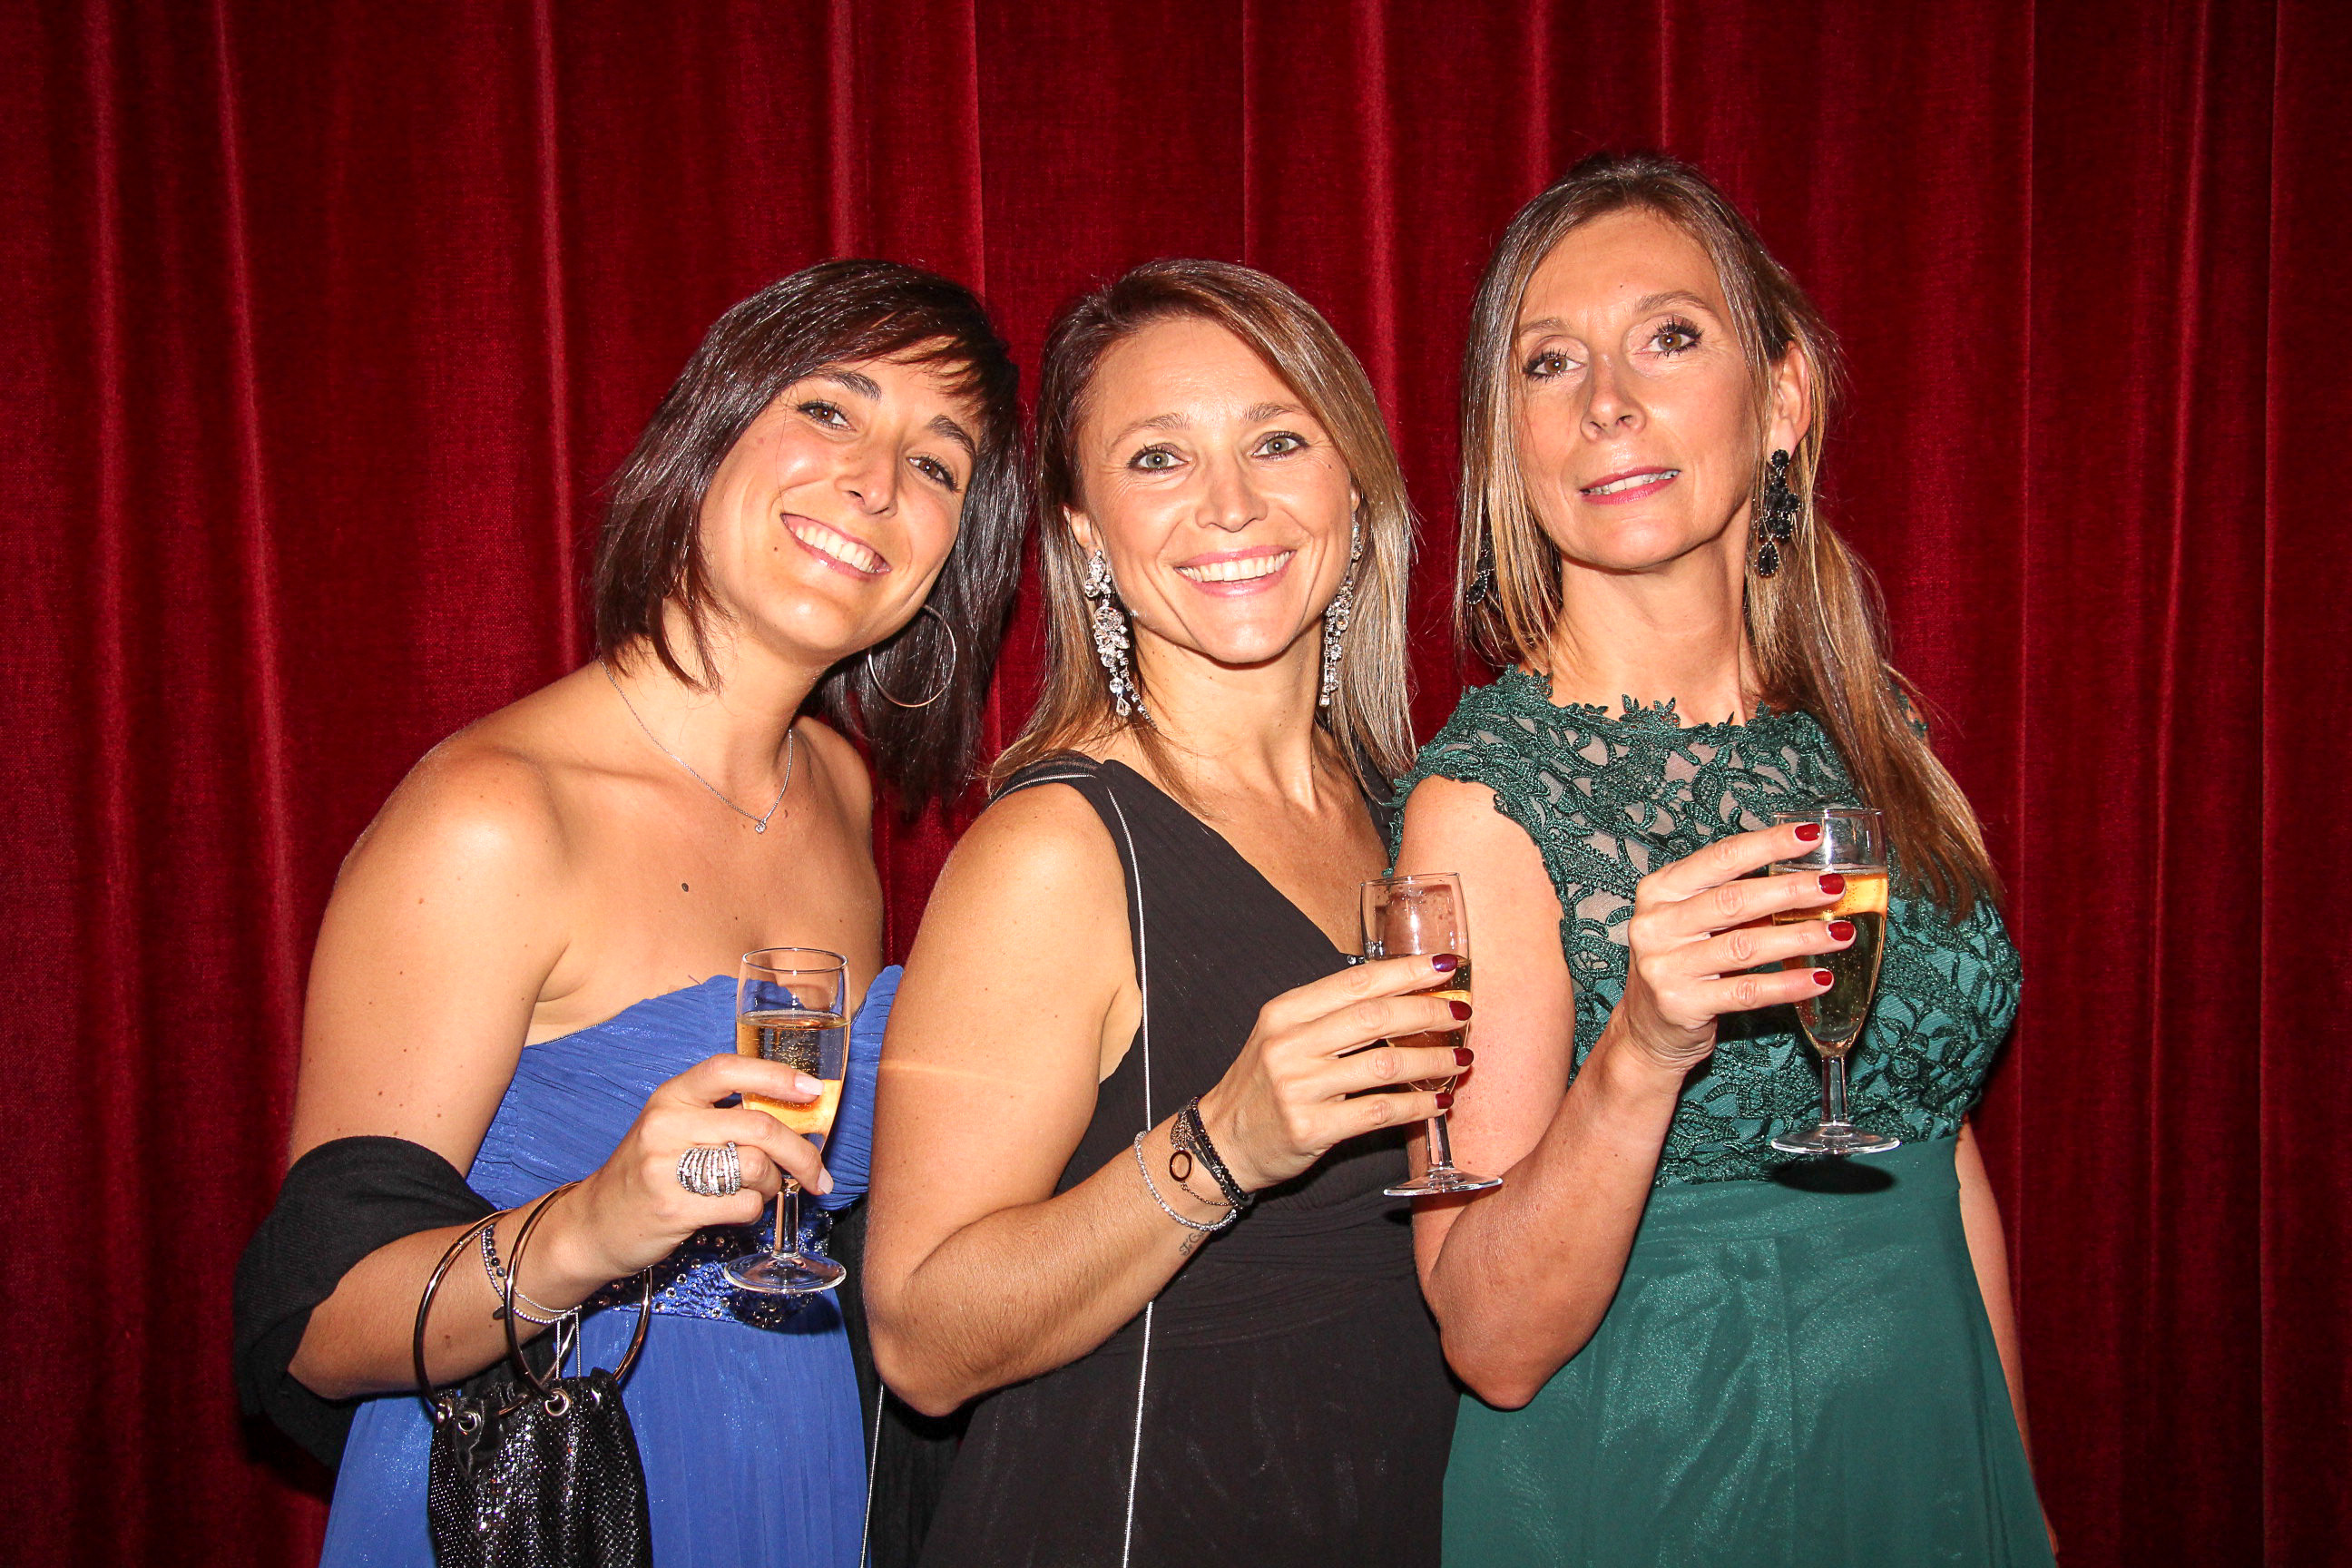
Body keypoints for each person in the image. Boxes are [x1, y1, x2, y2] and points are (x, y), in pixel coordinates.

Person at [231, 259, 1026, 1568]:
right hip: (556, 1488)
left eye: (937, 464)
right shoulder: (494, 816)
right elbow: (312, 1326)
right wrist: (593, 1227)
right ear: (712, 430)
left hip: (797, 1459)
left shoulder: (836, 792)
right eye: (829, 409)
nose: (877, 483)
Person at [1392, 152, 2053, 1565]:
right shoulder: (1484, 803)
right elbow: (1488, 1341)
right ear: (1510, 439)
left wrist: (2016, 1507)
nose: (1607, 402)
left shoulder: (1875, 742)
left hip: (1926, 1471)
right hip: (1654, 1484)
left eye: (1671, 337)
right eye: (1549, 363)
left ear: (1785, 399)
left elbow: (1942, 1157)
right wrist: (1640, 1051)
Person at [863, 260, 1459, 1568]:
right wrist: (1222, 1145)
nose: (1231, 503)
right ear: (1084, 532)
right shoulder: (1055, 850)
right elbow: (918, 1337)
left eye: (1279, 441)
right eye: (1158, 458)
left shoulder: (1409, 812)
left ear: (1356, 493)